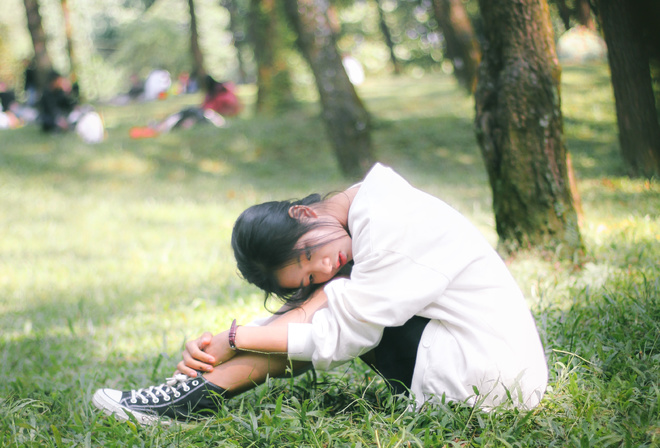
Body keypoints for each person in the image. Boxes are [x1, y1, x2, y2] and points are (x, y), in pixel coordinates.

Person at [93, 163, 548, 425]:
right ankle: (193, 394)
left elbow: (340, 331)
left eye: (308, 253)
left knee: (335, 315)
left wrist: (235, 339)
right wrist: (233, 337)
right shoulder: (362, 208)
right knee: (330, 304)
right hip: (472, 357)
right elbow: (320, 312)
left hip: (488, 380)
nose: (323, 267)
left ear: (304, 212)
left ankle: (190, 399)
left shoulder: (388, 224)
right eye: (307, 274)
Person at [129, 75, 241, 138]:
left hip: (211, 117)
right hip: (208, 115)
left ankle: (160, 126)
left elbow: (220, 108)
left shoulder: (222, 96)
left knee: (188, 113)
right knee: (188, 112)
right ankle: (161, 125)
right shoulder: (219, 92)